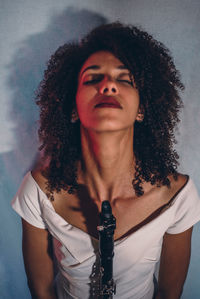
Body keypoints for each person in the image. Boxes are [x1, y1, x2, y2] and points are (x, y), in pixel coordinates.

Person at [12, 22, 200, 299]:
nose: (109, 85)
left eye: (124, 79)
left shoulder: (178, 196)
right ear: (72, 108)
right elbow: (40, 290)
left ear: (142, 109)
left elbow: (170, 293)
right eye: (92, 79)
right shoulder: (38, 190)